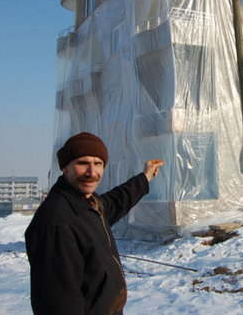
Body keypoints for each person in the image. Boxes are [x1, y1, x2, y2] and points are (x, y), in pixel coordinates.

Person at [25, 132, 164, 315]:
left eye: (98, 164)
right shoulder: (57, 223)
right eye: (82, 163)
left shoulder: (87, 204)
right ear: (65, 167)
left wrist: (145, 177)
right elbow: (59, 304)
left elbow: (115, 201)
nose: (91, 173)